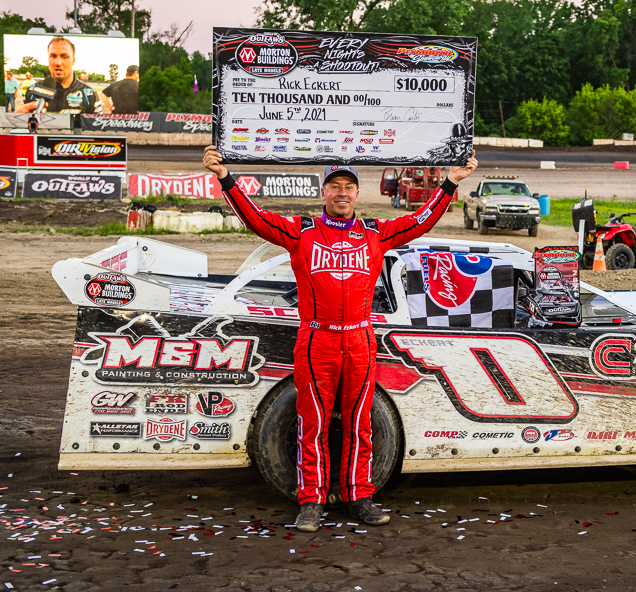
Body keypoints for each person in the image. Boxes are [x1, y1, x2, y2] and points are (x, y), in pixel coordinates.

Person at [202, 146, 477, 532]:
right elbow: (256, 219)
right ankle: (311, 502)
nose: (342, 193)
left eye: (349, 186)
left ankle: (358, 496)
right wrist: (225, 177)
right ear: (324, 192)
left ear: (357, 194)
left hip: (361, 340)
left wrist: (450, 182)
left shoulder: (375, 233)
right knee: (311, 423)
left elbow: (421, 221)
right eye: (335, 186)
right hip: (317, 342)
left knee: (359, 423)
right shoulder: (302, 232)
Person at [15, 37, 99, 133]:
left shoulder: (89, 94)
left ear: (73, 61)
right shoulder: (32, 91)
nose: (58, 63)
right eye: (53, 56)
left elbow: (98, 133)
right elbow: (22, 132)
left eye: (64, 57)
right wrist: (17, 121)